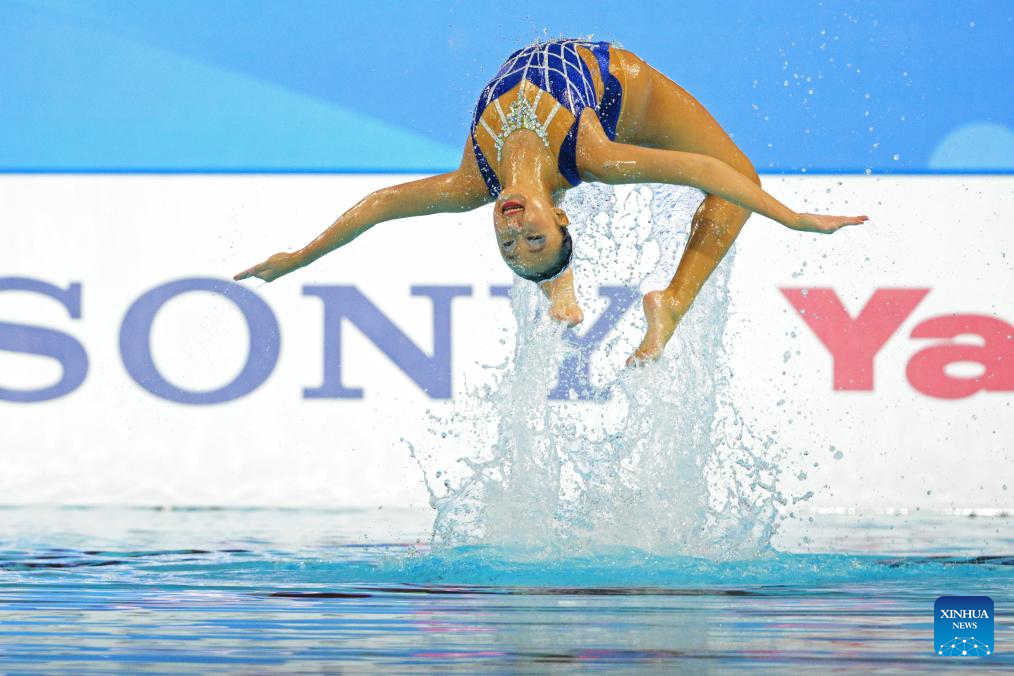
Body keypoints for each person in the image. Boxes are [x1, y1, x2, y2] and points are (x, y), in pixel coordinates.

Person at [235, 39, 866, 364]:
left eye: (509, 244)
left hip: (549, 145)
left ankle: (558, 288)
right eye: (532, 237)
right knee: (742, 177)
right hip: (626, 93)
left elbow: (378, 206)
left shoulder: (473, 180)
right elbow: (707, 171)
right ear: (562, 218)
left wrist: (298, 257)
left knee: (535, 207)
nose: (513, 229)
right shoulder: (595, 156)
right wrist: (794, 219)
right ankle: (672, 301)